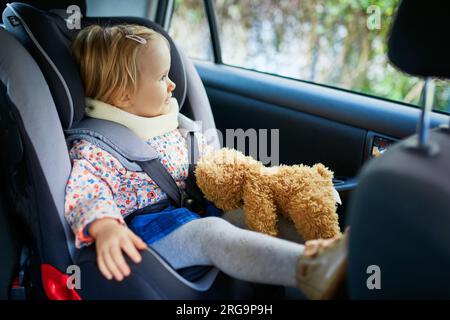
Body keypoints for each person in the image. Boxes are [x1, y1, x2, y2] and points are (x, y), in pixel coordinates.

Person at [65, 24, 348, 300]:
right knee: (212, 234)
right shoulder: (96, 148)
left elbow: (215, 167)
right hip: (150, 236)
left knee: (262, 214)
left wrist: (264, 179)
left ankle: (337, 258)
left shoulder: (176, 127)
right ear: (124, 95)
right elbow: (88, 191)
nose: (172, 84)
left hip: (196, 214)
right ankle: (312, 269)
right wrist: (106, 226)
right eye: (162, 77)